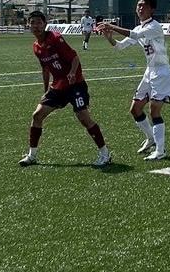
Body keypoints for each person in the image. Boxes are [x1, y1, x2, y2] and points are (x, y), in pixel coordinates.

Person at [18, 11, 110, 168]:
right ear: (28, 25)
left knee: (84, 118)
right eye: (32, 22)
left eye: (39, 22)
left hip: (75, 85)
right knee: (37, 115)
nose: (36, 26)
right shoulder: (36, 47)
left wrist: (73, 73)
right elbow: (45, 69)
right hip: (58, 86)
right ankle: (32, 156)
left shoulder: (55, 38)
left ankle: (105, 154)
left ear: (45, 24)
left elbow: (74, 58)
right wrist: (46, 90)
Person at [96, 0, 170, 161]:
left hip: (162, 72)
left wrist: (112, 26)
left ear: (152, 9)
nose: (140, 8)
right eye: (138, 5)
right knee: (135, 109)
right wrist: (109, 37)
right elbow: (119, 47)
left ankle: (160, 150)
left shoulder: (154, 26)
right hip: (150, 71)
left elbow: (135, 36)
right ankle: (151, 139)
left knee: (154, 110)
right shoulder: (139, 28)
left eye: (144, 6)